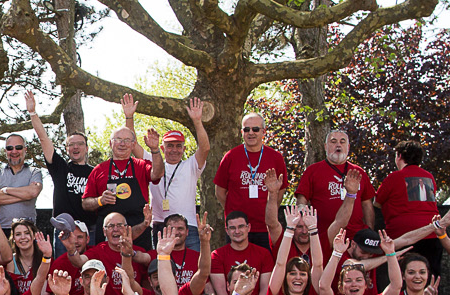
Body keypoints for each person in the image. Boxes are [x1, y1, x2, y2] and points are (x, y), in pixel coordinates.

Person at [26, 88, 96, 248]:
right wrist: (32, 113)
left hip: (89, 231)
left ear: (86, 148)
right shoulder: (60, 168)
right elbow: (43, 139)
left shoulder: (95, 172)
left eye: (80, 144)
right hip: (64, 230)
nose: (76, 147)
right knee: (62, 271)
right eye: (71, 145)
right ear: (66, 149)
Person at [213, 110, 289, 242]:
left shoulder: (275, 158)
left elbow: (281, 190)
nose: (251, 133)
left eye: (255, 129)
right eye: (247, 129)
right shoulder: (231, 156)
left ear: (263, 132)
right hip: (237, 229)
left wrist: (271, 209)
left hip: (265, 226)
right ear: (242, 132)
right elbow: (220, 192)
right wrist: (234, 209)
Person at [146, 100, 211, 249]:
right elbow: (133, 146)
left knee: (191, 267)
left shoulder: (191, 165)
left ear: (184, 148)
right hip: (160, 224)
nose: (174, 150)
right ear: (162, 148)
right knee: (161, 268)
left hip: (188, 227)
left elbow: (205, 148)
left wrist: (197, 121)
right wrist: (129, 116)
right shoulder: (153, 161)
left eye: (178, 146)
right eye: (170, 146)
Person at [294, 127, 374, 247]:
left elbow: (367, 204)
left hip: (356, 238)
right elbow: (302, 200)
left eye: (342, 142)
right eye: (333, 142)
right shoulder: (313, 171)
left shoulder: (359, 172)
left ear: (348, 147)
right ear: (326, 147)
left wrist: (370, 231)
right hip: (325, 236)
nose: (338, 145)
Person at [82, 110, 153, 242]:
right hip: (108, 232)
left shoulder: (141, 165)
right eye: (118, 140)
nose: (122, 144)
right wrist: (100, 201)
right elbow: (85, 203)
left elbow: (158, 174)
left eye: (127, 140)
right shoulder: (99, 170)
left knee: (141, 261)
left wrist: (155, 150)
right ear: (110, 143)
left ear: (133, 144)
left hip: (139, 228)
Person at [374, 141, 440, 269]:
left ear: (399, 156)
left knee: (404, 278)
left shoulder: (394, 177)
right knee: (429, 279)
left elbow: (377, 202)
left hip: (402, 237)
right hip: (431, 235)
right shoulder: (429, 177)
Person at [0, 134, 44, 231]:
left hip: (27, 231)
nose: (14, 151)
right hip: (2, 230)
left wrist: (6, 190)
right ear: (5, 151)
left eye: (18, 147)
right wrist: (25, 196)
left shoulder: (34, 172)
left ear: (25, 150)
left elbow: (33, 192)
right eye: (10, 148)